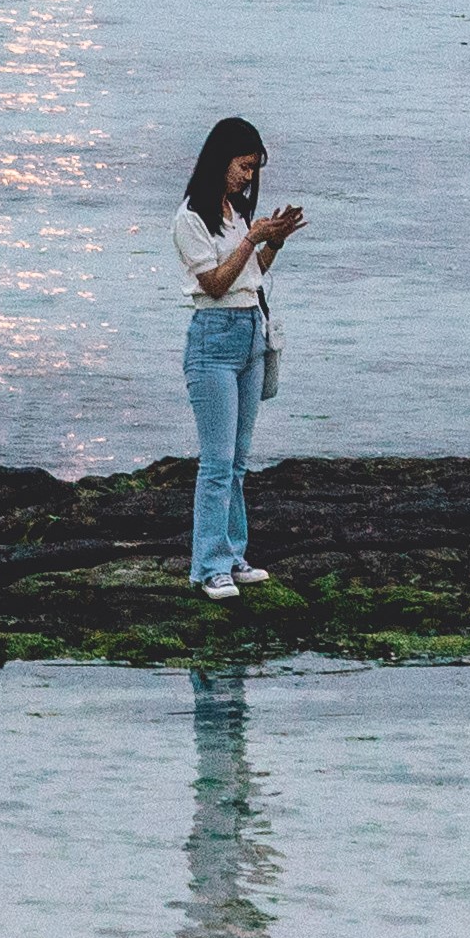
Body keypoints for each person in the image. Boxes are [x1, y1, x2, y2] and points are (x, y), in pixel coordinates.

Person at [172, 116, 301, 603]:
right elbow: (215, 284)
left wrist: (273, 241)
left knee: (239, 461)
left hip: (250, 331)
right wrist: (252, 238)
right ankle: (207, 568)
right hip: (213, 338)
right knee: (217, 461)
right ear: (220, 160)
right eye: (244, 166)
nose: (249, 176)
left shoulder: (235, 213)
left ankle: (232, 556)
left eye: (253, 169)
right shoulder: (191, 218)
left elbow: (251, 275)